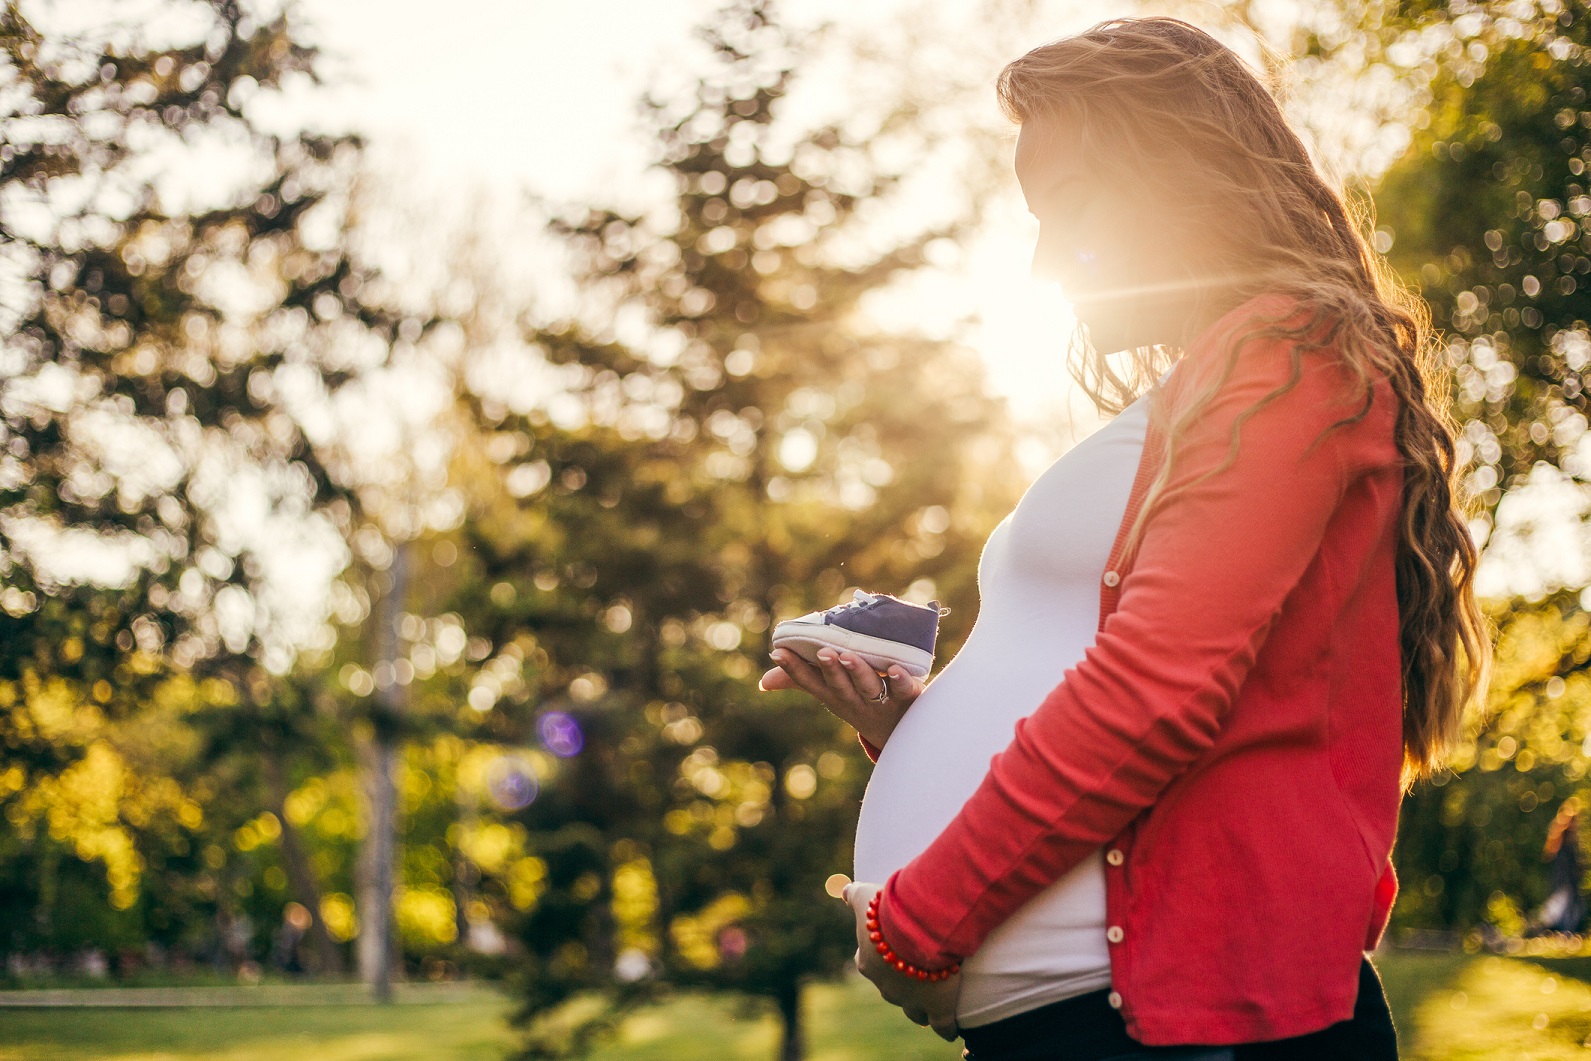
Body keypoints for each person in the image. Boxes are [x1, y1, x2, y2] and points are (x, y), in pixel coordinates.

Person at [759, 15, 1493, 1061]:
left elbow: (1158, 686)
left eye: (1067, 207)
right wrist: (910, 732)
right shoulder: (1210, 385)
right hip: (1101, 1025)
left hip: (1178, 1028)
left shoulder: (1291, 356)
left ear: (1174, 178)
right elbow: (1126, 673)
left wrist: (915, 925)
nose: (1046, 258)